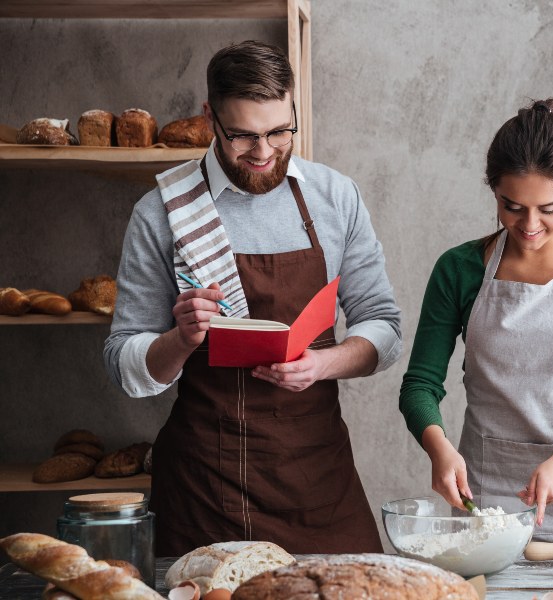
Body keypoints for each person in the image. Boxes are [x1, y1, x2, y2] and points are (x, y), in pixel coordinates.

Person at [104, 40, 401, 556]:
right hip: (203, 484)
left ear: (293, 111)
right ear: (209, 119)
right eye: (242, 135)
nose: (263, 153)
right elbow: (122, 365)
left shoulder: (336, 198)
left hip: (316, 476)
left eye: (279, 131)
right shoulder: (162, 212)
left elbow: (384, 327)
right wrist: (180, 340)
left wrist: (323, 364)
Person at [399, 98, 553, 541]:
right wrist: (439, 449)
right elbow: (419, 385)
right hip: (486, 500)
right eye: (512, 207)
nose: (529, 224)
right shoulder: (458, 268)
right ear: (494, 190)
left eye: (549, 209)